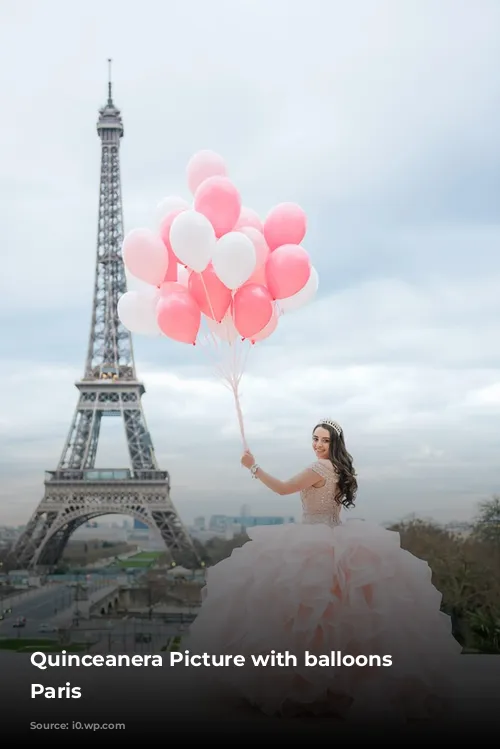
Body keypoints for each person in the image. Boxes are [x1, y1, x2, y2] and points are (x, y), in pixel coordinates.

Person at [188, 419, 462, 723]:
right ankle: (339, 684)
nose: (318, 445)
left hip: (313, 541)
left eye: (325, 441)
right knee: (340, 616)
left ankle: (306, 684)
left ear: (335, 444)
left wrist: (252, 467)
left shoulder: (318, 469)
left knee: (305, 616)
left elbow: (282, 489)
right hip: (336, 536)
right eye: (315, 438)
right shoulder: (338, 469)